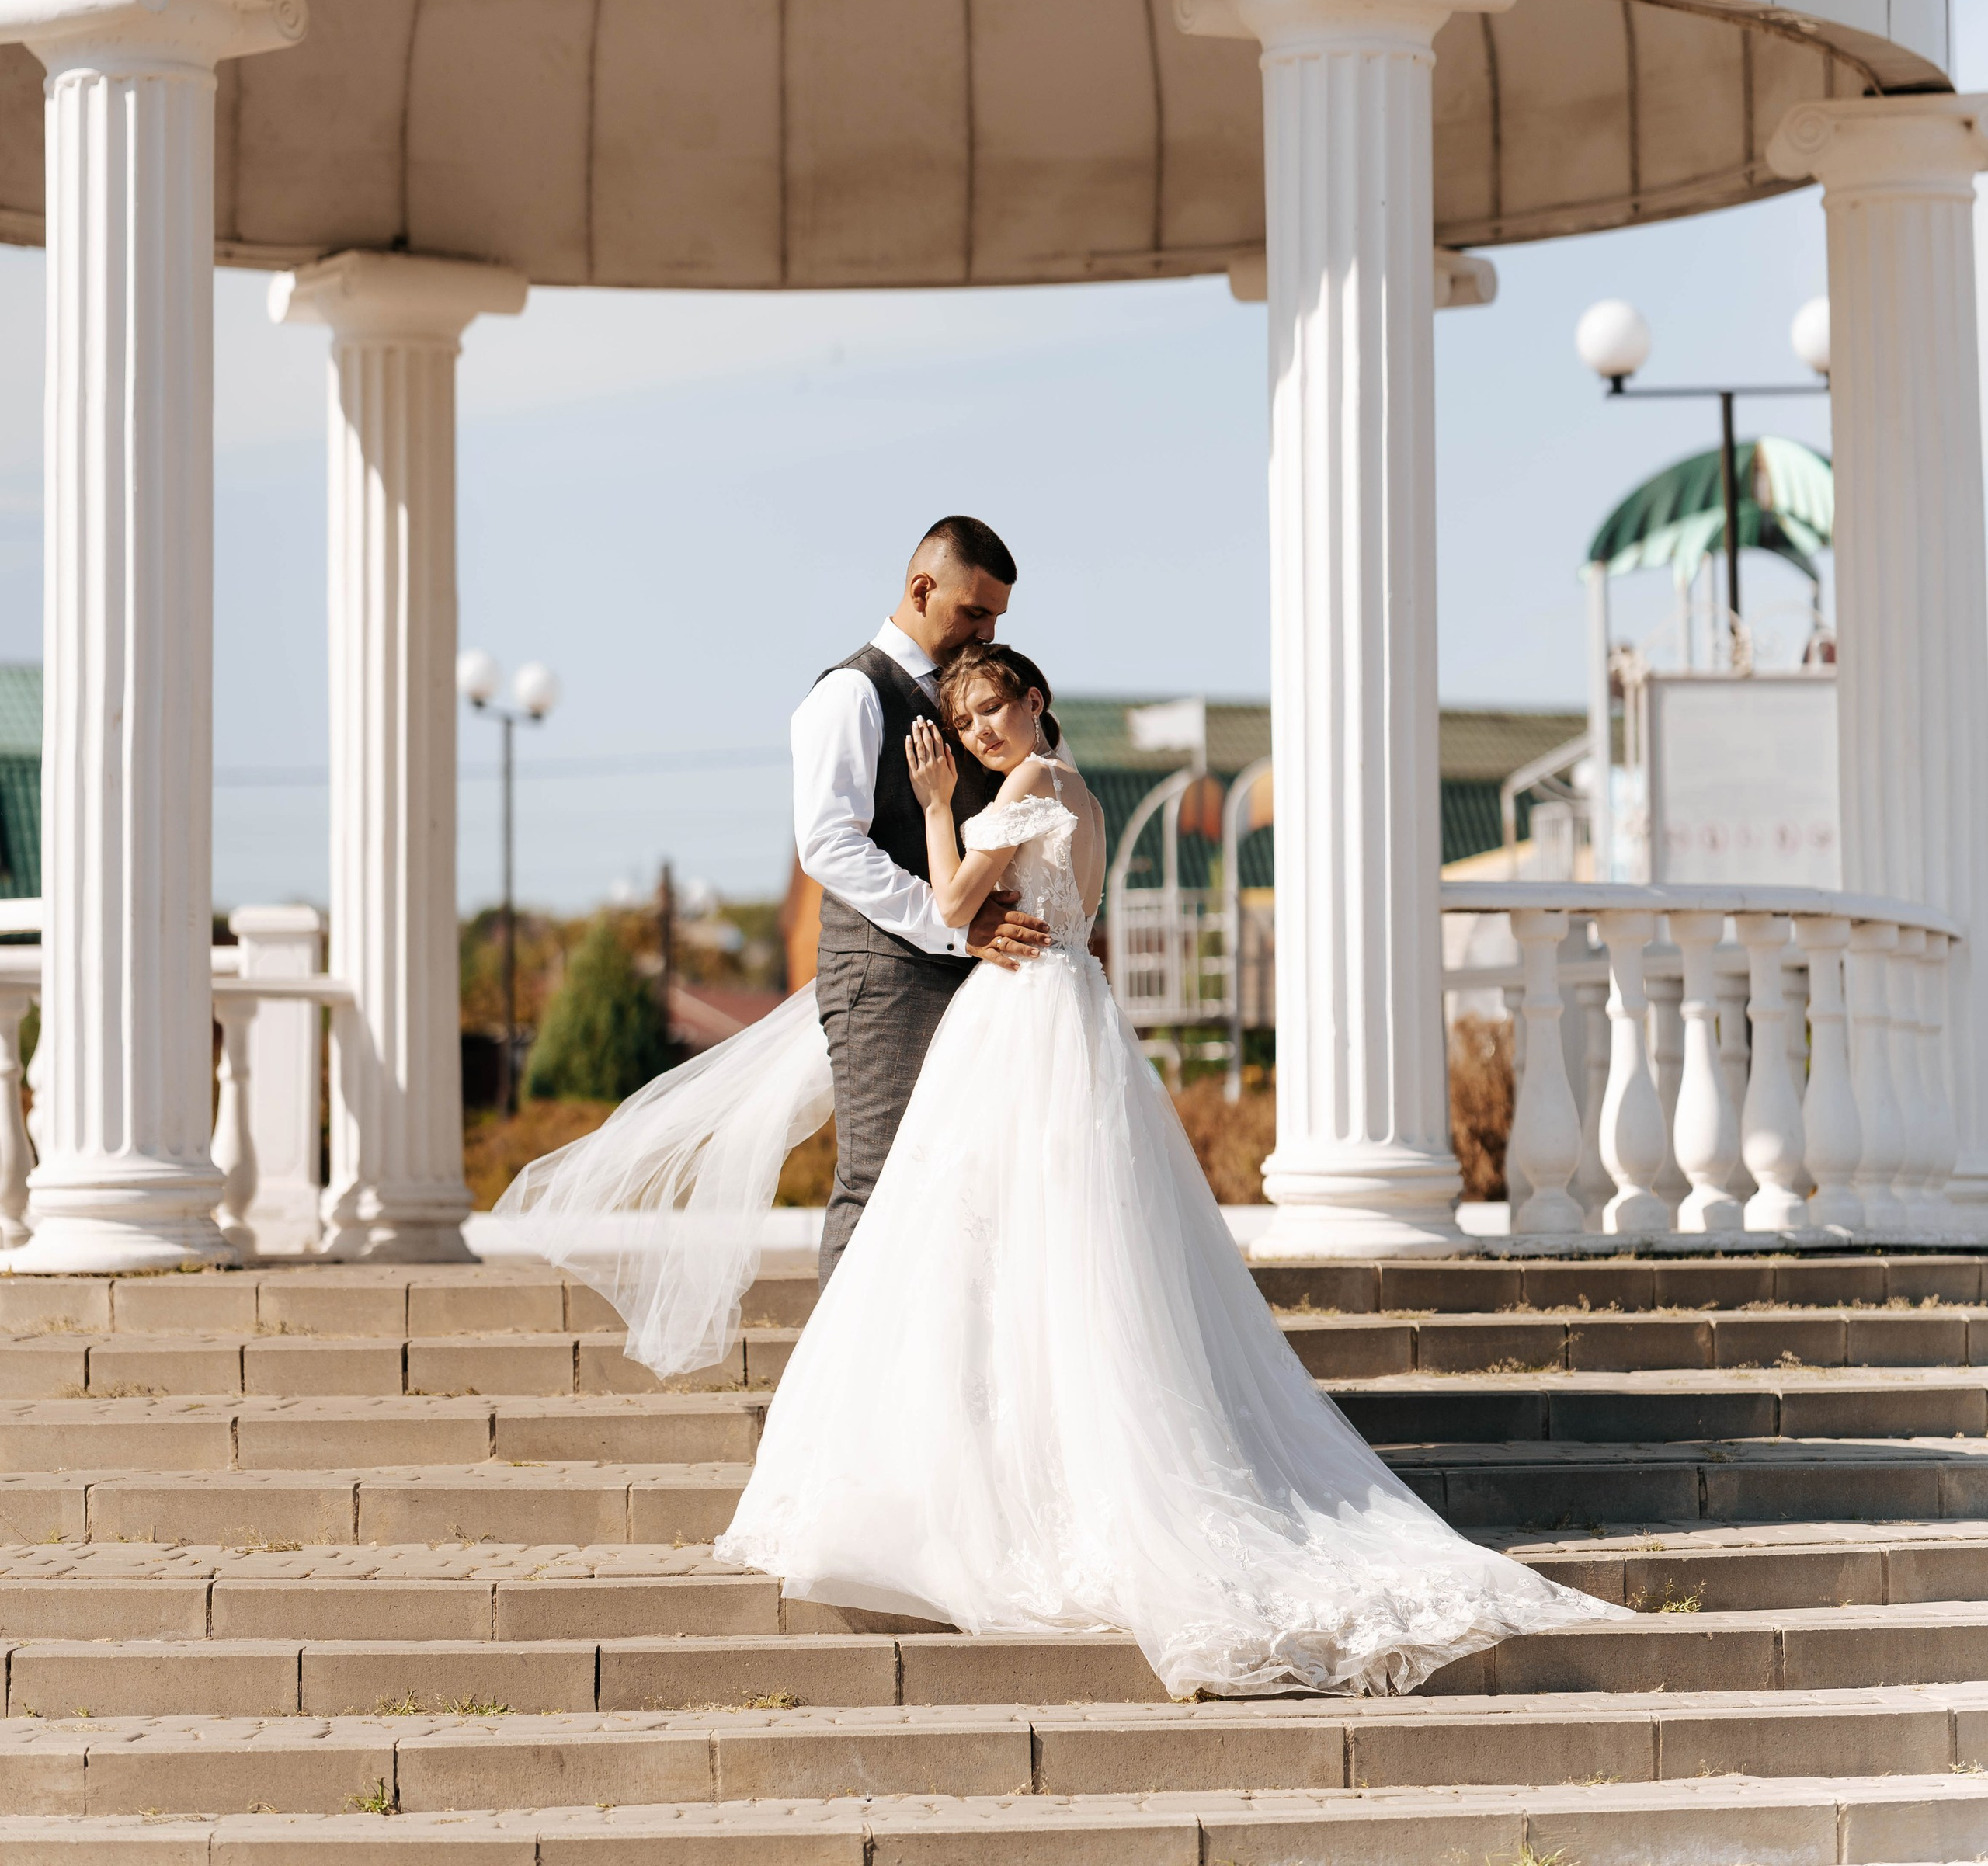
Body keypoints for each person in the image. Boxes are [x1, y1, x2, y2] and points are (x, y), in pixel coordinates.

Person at [495, 636, 1614, 1696]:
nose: (978, 726)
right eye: (962, 715)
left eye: (995, 704)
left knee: (980, 1236)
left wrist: (936, 809)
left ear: (1036, 698)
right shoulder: (1070, 786)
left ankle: (999, 1488)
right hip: (1064, 1011)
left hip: (1022, 1018)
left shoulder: (1026, 788)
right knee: (1048, 1244)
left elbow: (947, 907)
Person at [788, 515, 1051, 1285]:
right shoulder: (850, 694)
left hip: (974, 980)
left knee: (962, 1188)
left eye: (997, 618)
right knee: (877, 1184)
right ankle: (832, 1402)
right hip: (882, 978)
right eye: (974, 613)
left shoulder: (972, 694)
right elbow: (829, 846)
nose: (985, 632)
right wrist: (957, 927)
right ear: (921, 589)